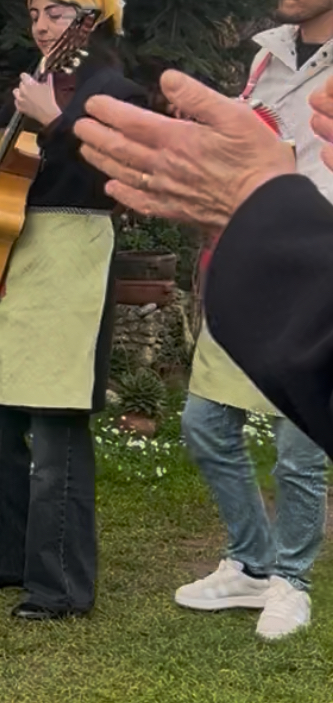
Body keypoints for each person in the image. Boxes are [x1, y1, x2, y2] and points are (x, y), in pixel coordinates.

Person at [0, 0, 143, 621]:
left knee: (55, 434)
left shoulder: (113, 88)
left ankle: (61, 588)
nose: (42, 24)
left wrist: (60, 119)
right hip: (11, 262)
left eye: (54, 12)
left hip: (71, 260)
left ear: (90, 20)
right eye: (34, 14)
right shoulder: (34, 86)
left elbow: (124, 163)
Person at [170, 0, 333, 638]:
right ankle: (251, 561)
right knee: (206, 422)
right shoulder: (267, 58)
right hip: (251, 256)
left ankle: (292, 580)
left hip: (321, 264)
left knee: (301, 442)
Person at [76, 67, 333, 458]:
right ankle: (251, 525)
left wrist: (253, 201)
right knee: (206, 425)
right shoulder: (267, 57)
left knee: (298, 460)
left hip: (292, 256)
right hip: (278, 265)